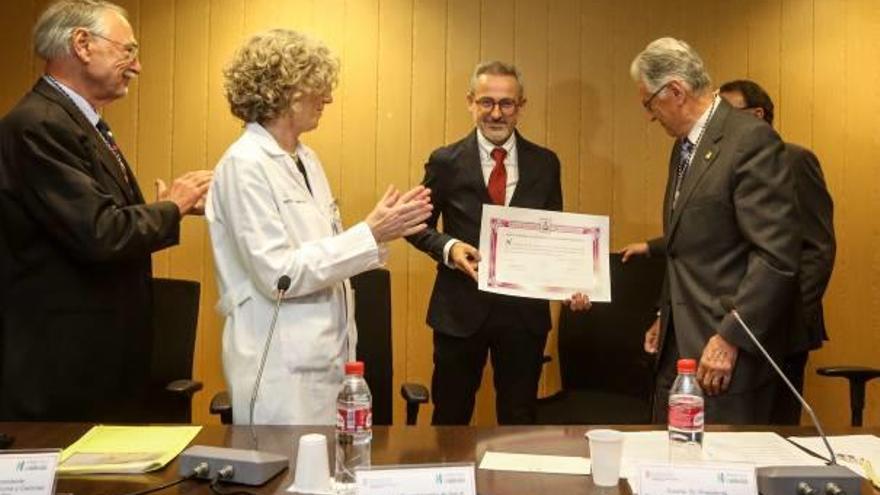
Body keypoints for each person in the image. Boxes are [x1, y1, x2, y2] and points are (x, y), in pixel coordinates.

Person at [0, 0, 211, 421]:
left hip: (98, 360)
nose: (137, 67)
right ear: (82, 44)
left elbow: (91, 222)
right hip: (61, 371)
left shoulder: (78, 122)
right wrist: (172, 206)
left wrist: (164, 210)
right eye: (128, 51)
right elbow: (100, 233)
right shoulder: (39, 124)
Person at [207, 29, 432, 425]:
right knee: (285, 478)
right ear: (286, 92)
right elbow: (278, 275)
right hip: (278, 363)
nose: (327, 98)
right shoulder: (244, 165)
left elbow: (323, 252)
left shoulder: (306, 159)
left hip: (325, 354)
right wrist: (369, 234)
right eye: (318, 88)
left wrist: (379, 234)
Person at [406, 61, 590, 426]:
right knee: (451, 415)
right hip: (459, 311)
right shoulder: (445, 161)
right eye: (486, 102)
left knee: (520, 417)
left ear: (521, 106)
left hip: (524, 316)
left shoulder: (546, 163)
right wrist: (449, 248)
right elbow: (416, 226)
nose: (496, 113)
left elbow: (553, 234)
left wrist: (570, 283)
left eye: (506, 104)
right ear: (471, 103)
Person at [627, 38, 800, 424]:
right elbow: (685, 249)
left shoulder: (750, 140)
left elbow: (776, 256)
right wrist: (664, 314)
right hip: (680, 345)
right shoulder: (685, 146)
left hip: (723, 351)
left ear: (675, 91)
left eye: (649, 103)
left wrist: (731, 337)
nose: (650, 115)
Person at [718, 79, 836, 424]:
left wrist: (788, 315)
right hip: (744, 319)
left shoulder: (795, 159)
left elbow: (818, 249)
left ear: (757, 115)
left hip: (784, 324)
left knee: (777, 427)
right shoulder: (727, 163)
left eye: (730, 113)